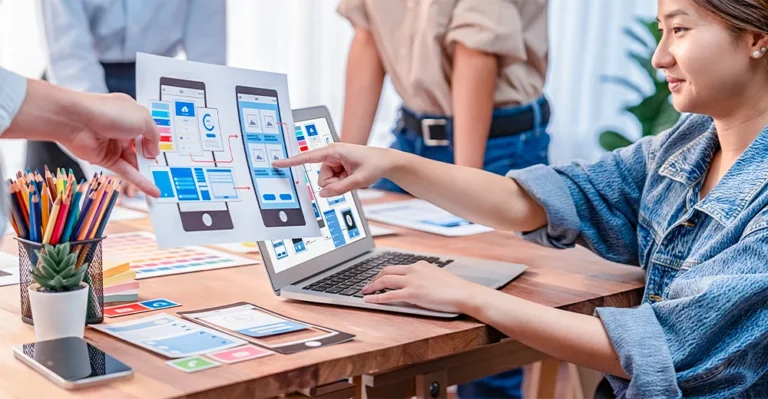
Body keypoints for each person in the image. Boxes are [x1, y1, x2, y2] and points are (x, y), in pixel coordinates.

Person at [275, 0, 768, 396]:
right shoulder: (685, 145)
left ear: (756, 38)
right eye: (661, 31)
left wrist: (472, 297)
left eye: (679, 30)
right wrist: (394, 163)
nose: (660, 56)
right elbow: (541, 199)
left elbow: (669, 346)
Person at [337, 0, 551, 195]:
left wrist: (464, 189)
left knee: (472, 234)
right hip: (412, 139)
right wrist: (344, 169)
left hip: (495, 146)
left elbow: (475, 51)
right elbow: (369, 34)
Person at [28, 0, 226, 194]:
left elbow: (206, 63)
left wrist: (204, 146)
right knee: (52, 211)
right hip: (72, 90)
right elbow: (70, 57)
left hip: (153, 90)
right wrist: (107, 169)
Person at [0, 67, 160, 199]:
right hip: (69, 83)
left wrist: (84, 119)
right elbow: (69, 55)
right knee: (48, 197)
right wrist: (86, 116)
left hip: (135, 94)